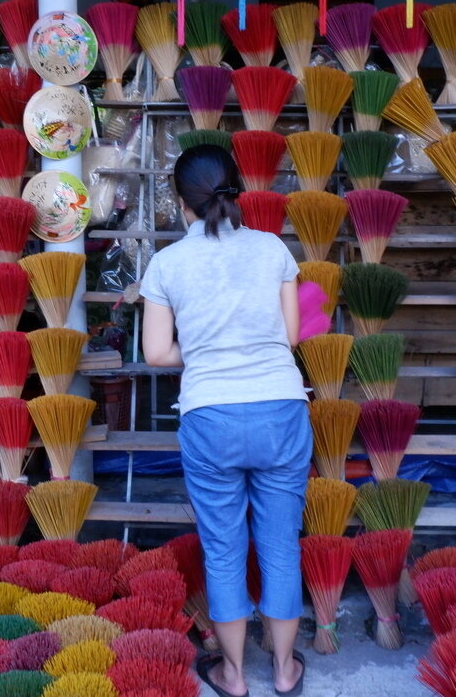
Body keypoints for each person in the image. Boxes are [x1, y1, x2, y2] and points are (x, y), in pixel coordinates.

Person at [140, 145, 311, 697]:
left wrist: (209, 348)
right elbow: (289, 337)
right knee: (282, 544)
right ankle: (285, 671)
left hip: (210, 415)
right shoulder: (273, 250)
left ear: (180, 201)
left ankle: (233, 676)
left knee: (222, 548)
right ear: (236, 190)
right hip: (280, 409)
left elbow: (157, 354)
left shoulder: (166, 264)